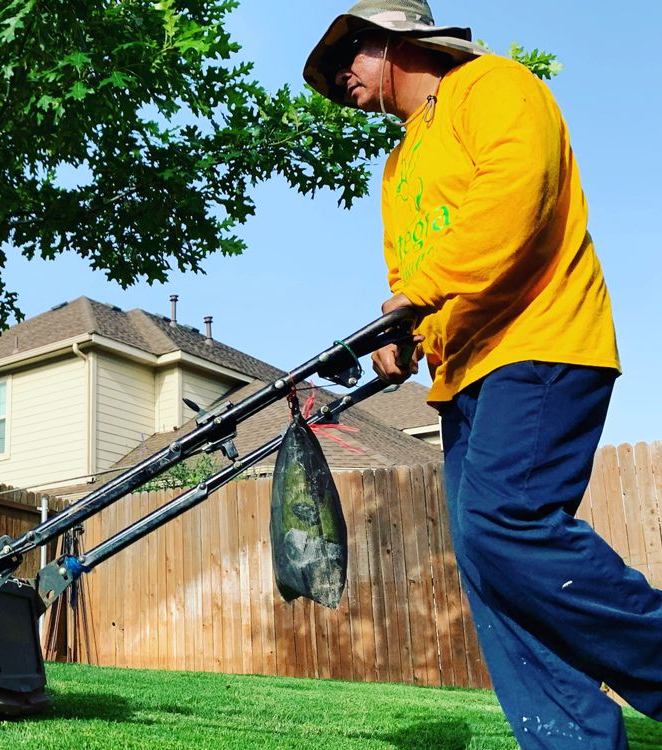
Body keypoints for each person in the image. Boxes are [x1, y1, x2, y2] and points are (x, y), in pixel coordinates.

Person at [303, 2, 661, 748]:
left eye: (352, 53)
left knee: (506, 523)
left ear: (400, 42)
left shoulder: (492, 85)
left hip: (544, 341)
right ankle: (570, 741)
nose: (343, 77)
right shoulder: (399, 165)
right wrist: (405, 338)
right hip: (466, 374)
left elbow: (515, 194)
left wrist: (421, 292)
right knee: (487, 563)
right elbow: (415, 278)